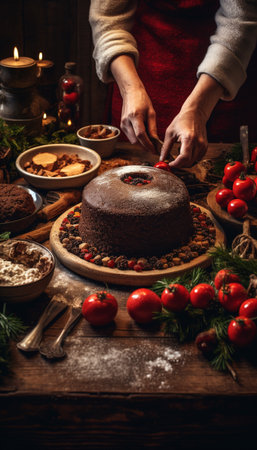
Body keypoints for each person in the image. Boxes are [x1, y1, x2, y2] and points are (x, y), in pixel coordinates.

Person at [89, 0, 257, 168]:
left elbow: (240, 20)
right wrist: (130, 89)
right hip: (137, 69)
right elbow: (107, 19)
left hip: (222, 77)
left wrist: (199, 108)